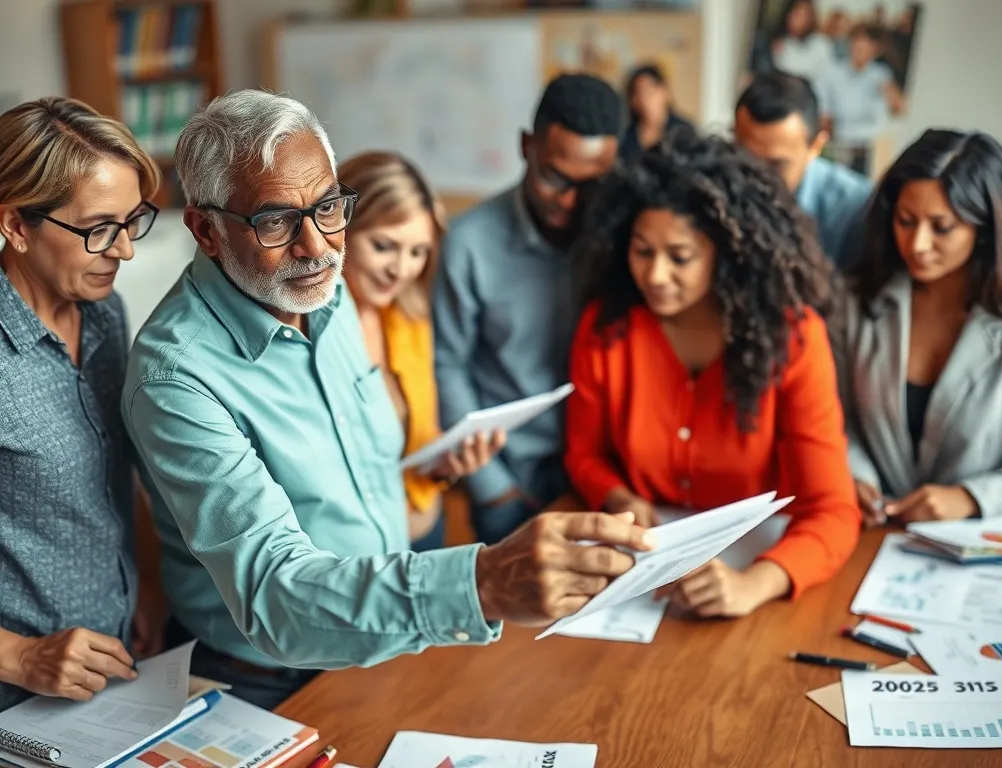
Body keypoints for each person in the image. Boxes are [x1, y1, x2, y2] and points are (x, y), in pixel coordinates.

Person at [123, 89, 653, 710]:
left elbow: (350, 472)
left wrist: (423, 474)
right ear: (206, 231)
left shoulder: (327, 295)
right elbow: (274, 594)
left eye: (327, 208)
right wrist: (481, 583)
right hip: (274, 678)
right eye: (274, 221)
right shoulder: (175, 377)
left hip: (391, 634)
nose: (317, 248)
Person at [565, 133, 861, 618]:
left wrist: (754, 584)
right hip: (641, 579)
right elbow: (583, 453)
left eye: (680, 257)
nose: (656, 275)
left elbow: (833, 510)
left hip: (756, 577)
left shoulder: (792, 338)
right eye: (642, 251)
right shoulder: (606, 328)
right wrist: (617, 494)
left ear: (727, 255)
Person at [0, 97, 163, 710]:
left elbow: (118, 468)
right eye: (98, 229)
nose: (124, 251)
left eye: (132, 221)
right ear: (16, 224)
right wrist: (20, 656)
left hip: (118, 666)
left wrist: (143, 586)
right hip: (19, 702)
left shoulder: (104, 313)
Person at [433, 73, 623, 545]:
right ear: (526, 146)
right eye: (554, 177)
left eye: (592, 185)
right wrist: (494, 490)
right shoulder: (469, 243)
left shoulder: (622, 240)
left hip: (604, 474)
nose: (572, 202)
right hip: (509, 481)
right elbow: (447, 365)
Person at [835, 130, 1002, 527]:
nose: (918, 244)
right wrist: (856, 474)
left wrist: (970, 498)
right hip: (870, 533)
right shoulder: (855, 300)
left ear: (986, 227)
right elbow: (835, 415)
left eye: (941, 227)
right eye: (906, 221)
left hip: (981, 545)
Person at [337, 151, 505, 551]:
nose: (401, 269)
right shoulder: (312, 330)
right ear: (337, 227)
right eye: (383, 246)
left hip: (427, 528)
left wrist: (445, 464)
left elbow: (415, 438)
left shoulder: (409, 315)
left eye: (418, 251)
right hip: (361, 551)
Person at [735, 71, 873, 267]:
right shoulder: (716, 188)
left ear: (816, 146)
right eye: (747, 159)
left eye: (777, 165)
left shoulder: (854, 206)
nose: (758, 174)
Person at [815, 24, 904, 174]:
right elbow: (824, 115)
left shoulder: (881, 74)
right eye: (856, 42)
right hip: (841, 142)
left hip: (872, 146)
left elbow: (899, 108)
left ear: (875, 49)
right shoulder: (832, 72)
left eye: (866, 44)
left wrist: (889, 90)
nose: (860, 48)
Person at [618, 64, 697, 165]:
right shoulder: (625, 135)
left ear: (664, 92)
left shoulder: (683, 131)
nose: (644, 99)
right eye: (638, 93)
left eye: (649, 92)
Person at [770, 0, 835, 84]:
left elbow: (825, 79)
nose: (799, 20)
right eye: (795, 14)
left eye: (804, 16)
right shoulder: (780, 43)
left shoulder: (822, 45)